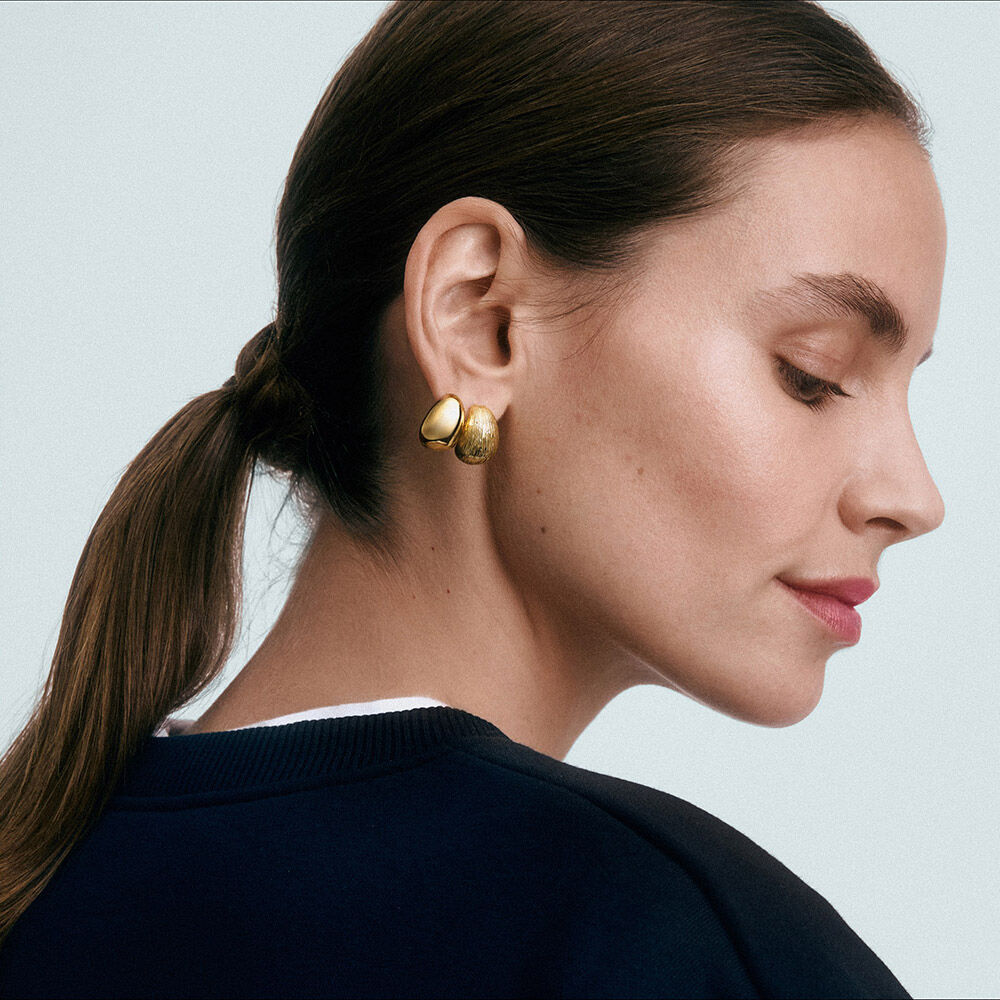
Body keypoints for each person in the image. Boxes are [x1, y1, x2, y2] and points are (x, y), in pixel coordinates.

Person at [0, 1, 945, 995]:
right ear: (480, 319)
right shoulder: (670, 937)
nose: (914, 497)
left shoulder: (45, 878)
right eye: (813, 374)